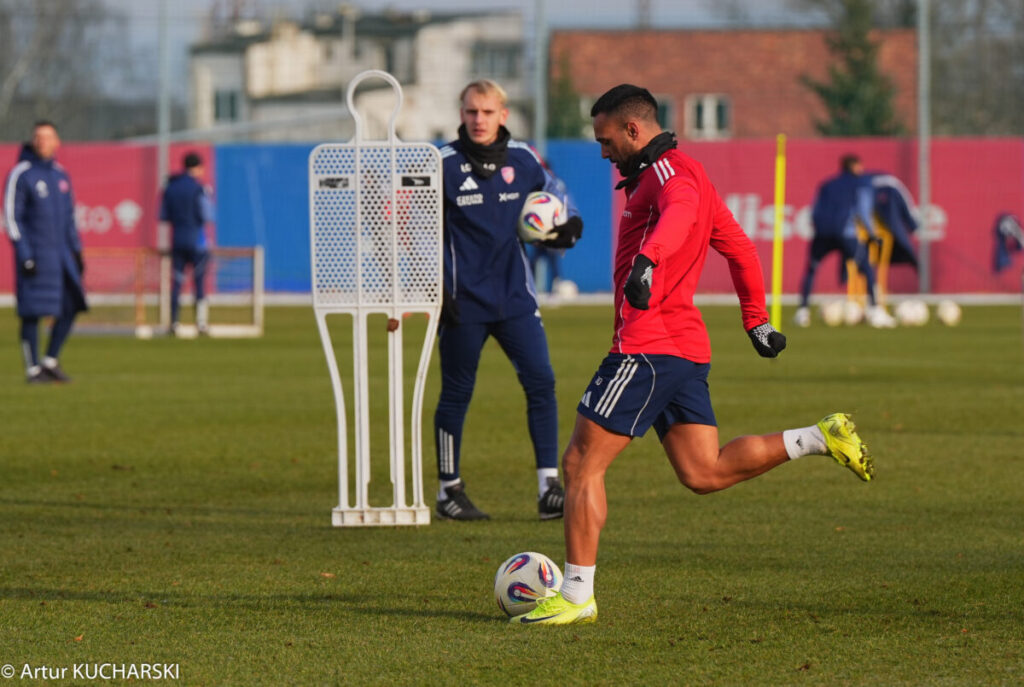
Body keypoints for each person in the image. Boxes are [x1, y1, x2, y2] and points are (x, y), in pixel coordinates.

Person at [512, 85, 874, 625]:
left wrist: (648, 261)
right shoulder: (691, 172)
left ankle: (576, 593)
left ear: (634, 130)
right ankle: (819, 437)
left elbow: (677, 214)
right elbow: (739, 246)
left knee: (580, 464)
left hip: (646, 346)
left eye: (606, 140)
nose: (603, 151)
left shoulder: (670, 177)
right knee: (703, 471)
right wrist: (756, 320)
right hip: (684, 349)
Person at [434, 79, 583, 521]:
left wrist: (567, 228)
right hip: (462, 302)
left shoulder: (524, 158)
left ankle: (548, 487)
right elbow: (407, 226)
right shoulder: (439, 163)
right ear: (461, 114)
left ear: (504, 115)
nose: (478, 120)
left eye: (486, 112)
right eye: (470, 112)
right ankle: (448, 491)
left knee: (542, 383)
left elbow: (561, 200)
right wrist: (434, 288)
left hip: (516, 298)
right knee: (456, 394)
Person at [4, 120, 87, 383]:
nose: (43, 142)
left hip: (61, 256)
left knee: (71, 305)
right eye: (38, 137)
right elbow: (11, 217)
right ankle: (32, 369)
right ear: (32, 141)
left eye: (48, 137)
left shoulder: (61, 175)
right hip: (36, 256)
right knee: (32, 311)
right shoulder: (22, 173)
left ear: (57, 142)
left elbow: (70, 218)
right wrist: (25, 254)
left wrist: (76, 251)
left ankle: (50, 361)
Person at [794, 155, 895, 328]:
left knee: (811, 269)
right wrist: (871, 234)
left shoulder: (827, 184)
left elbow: (815, 210)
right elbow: (863, 210)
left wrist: (819, 230)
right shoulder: (861, 184)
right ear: (855, 166)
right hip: (846, 233)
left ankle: (802, 312)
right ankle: (875, 312)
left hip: (822, 234)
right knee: (866, 269)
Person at [160, 151, 214, 336]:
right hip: (197, 241)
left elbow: (163, 215)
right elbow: (207, 215)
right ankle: (201, 324)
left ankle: (174, 323)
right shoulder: (199, 188)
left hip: (177, 240)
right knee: (199, 283)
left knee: (177, 283)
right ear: (198, 167)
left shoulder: (171, 187)